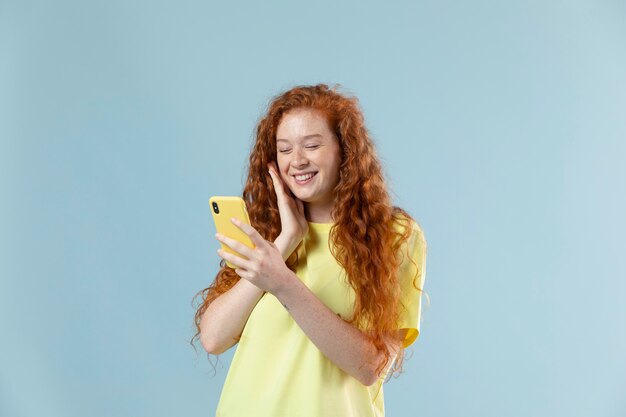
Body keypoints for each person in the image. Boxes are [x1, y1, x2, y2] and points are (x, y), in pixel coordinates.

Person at [192, 84, 427, 417]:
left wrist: (283, 282)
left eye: (312, 145)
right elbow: (214, 338)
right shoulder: (266, 237)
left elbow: (370, 365)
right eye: (285, 149)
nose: (297, 161)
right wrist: (286, 241)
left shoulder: (395, 236)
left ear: (345, 150)